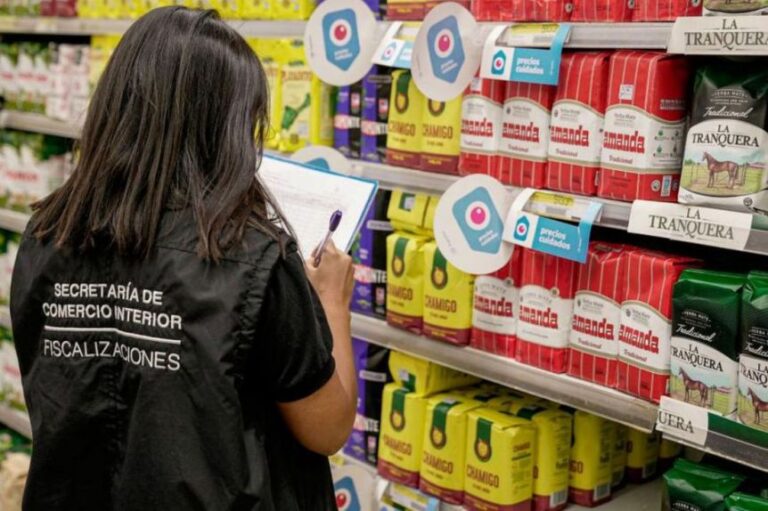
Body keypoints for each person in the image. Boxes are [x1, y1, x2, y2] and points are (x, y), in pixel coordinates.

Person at [10, 7, 356, 510]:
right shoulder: (253, 257)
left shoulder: (46, 235)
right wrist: (332, 302)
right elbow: (327, 429)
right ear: (227, 130)